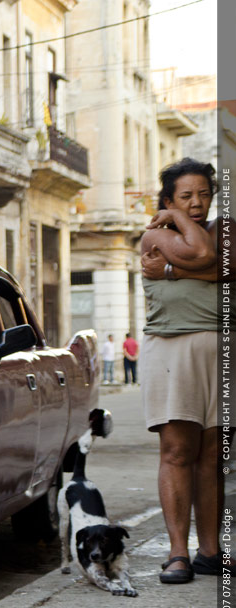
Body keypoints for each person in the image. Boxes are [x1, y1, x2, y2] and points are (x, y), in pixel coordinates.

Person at [138, 157, 225, 583]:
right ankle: (178, 554)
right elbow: (206, 256)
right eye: (185, 197)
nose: (197, 204)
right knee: (177, 453)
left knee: (212, 457)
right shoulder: (154, 235)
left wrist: (172, 270)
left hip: (222, 352)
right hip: (172, 351)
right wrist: (201, 265)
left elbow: (218, 260)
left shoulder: (226, 229)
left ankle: (210, 552)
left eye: (204, 195)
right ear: (168, 200)